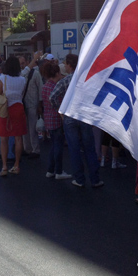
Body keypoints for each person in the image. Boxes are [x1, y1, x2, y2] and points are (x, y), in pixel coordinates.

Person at [50, 54, 103, 188]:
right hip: (84, 115)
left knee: (74, 149)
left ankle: (79, 179)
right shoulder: (87, 80)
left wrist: (60, 110)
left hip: (70, 116)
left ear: (69, 65)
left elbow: (53, 97)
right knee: (89, 148)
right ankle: (95, 179)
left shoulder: (65, 81)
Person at [0, 55, 27, 176]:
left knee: (4, 139)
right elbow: (22, 94)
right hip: (18, 107)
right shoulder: (22, 79)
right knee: (18, 138)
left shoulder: (3, 78)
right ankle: (17, 165)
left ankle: (4, 166)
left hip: (5, 109)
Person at [41, 60, 70, 180]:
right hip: (57, 118)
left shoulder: (45, 86)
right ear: (56, 73)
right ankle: (58, 171)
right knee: (58, 146)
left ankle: (50, 170)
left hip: (48, 118)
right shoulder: (56, 86)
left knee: (53, 145)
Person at [19, 54, 43, 159]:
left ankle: (35, 149)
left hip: (33, 104)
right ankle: (27, 148)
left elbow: (40, 89)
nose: (22, 66)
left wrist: (40, 104)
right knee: (24, 127)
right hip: (24, 104)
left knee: (32, 128)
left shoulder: (35, 74)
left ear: (28, 62)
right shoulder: (20, 74)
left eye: (23, 63)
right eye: (20, 64)